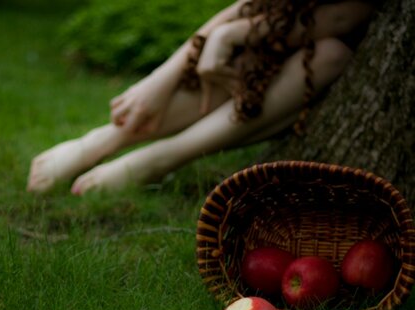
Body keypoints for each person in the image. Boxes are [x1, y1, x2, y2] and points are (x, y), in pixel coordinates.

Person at [27, 0, 375, 195]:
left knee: (327, 55)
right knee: (251, 56)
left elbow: (347, 14)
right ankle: (109, 138)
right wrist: (164, 77)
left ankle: (159, 159)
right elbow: (253, 5)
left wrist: (231, 34)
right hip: (283, 39)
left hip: (328, 54)